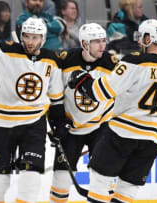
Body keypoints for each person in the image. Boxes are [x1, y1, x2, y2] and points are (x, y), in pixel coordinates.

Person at [67, 19, 157, 202]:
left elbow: (101, 92)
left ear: (148, 38)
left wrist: (83, 81)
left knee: (99, 186)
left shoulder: (134, 62)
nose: (138, 41)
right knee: (126, 193)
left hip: (123, 134)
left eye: (142, 36)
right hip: (153, 140)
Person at [0, 12, 65, 203]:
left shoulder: (52, 60)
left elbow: (56, 98)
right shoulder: (5, 50)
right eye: (26, 36)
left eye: (35, 37)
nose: (30, 41)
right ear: (21, 35)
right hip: (3, 123)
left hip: (34, 123)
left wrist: (59, 125)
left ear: (43, 38)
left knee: (31, 177)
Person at [49, 23, 118, 203]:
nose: (102, 45)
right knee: (61, 179)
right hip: (70, 128)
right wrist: (57, 121)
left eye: (103, 41)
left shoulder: (111, 64)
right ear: (85, 44)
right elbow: (54, 93)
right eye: (96, 42)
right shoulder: (65, 60)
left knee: (103, 176)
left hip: (100, 126)